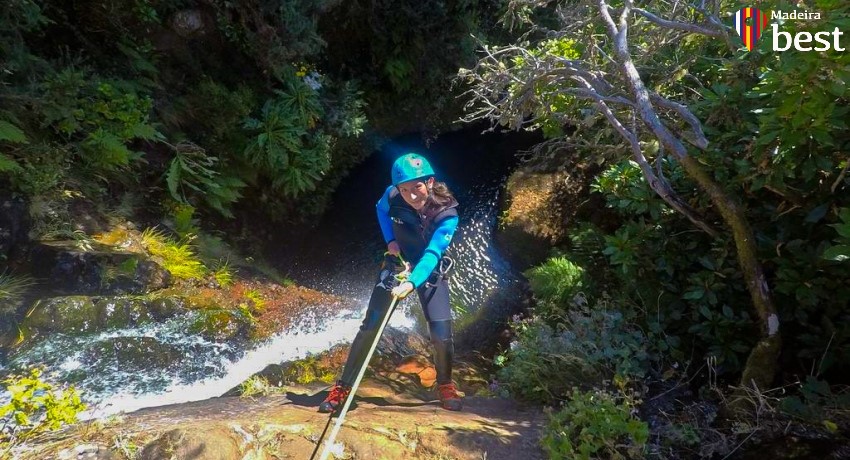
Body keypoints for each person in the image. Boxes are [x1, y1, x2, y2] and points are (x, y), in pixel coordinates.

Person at [318, 152, 463, 413]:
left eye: (417, 187)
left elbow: (432, 254)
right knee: (371, 325)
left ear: (429, 182)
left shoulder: (447, 213)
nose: (412, 196)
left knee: (441, 335)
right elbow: (380, 210)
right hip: (398, 265)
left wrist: (412, 282)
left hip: (428, 269)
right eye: (404, 189)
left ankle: (445, 384)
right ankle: (343, 386)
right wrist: (391, 242)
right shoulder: (392, 196)